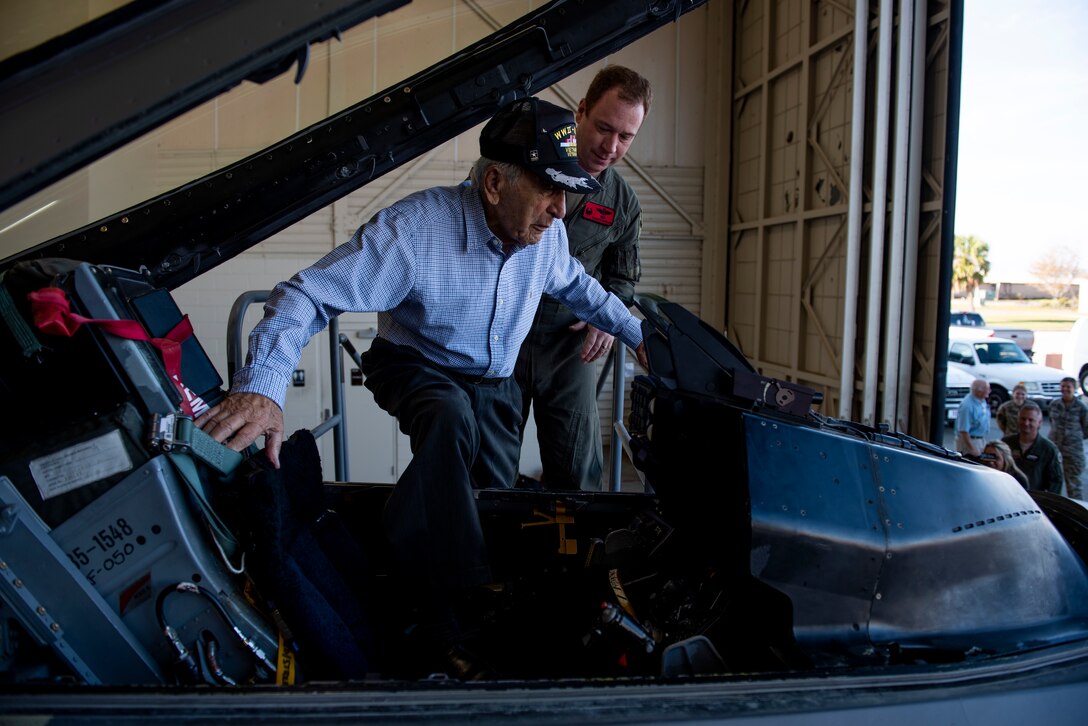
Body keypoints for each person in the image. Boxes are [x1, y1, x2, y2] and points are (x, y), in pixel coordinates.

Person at [195, 96, 648, 675]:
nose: (562, 211)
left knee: (485, 496)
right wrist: (262, 387)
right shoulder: (414, 230)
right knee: (448, 417)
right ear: (492, 183)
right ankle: (443, 610)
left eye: (568, 193)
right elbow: (308, 293)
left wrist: (641, 336)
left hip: (489, 380)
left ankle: (419, 563)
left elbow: (584, 291)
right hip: (414, 362)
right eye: (548, 191)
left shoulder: (548, 238)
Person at [514, 65, 652, 491]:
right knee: (485, 462)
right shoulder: (523, 165)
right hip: (505, 333)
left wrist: (606, 320)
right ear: (581, 112)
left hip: (569, 347)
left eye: (625, 137)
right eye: (603, 128)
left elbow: (622, 278)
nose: (610, 147)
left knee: (577, 473)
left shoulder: (622, 203)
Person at [1003, 401, 1064, 494]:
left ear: (1039, 423)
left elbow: (1055, 482)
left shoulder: (1049, 449)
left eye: (1031, 420)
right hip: (1008, 495)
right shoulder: (1006, 443)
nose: (1026, 423)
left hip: (1034, 500)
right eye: (1023, 419)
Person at [1048, 377, 1088, 499]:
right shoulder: (1054, 404)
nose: (1065, 389)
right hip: (1055, 449)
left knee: (1074, 485)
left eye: (1068, 387)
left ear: (1074, 388)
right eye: (1063, 386)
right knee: (1053, 482)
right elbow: (1051, 422)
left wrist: (1073, 438)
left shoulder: (1081, 407)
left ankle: (1076, 513)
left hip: (1073, 452)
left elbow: (1086, 428)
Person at [955, 378, 990, 457]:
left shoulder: (981, 400)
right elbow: (963, 431)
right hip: (971, 441)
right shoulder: (967, 406)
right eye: (987, 389)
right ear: (979, 391)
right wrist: (972, 448)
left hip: (980, 440)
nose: (990, 391)